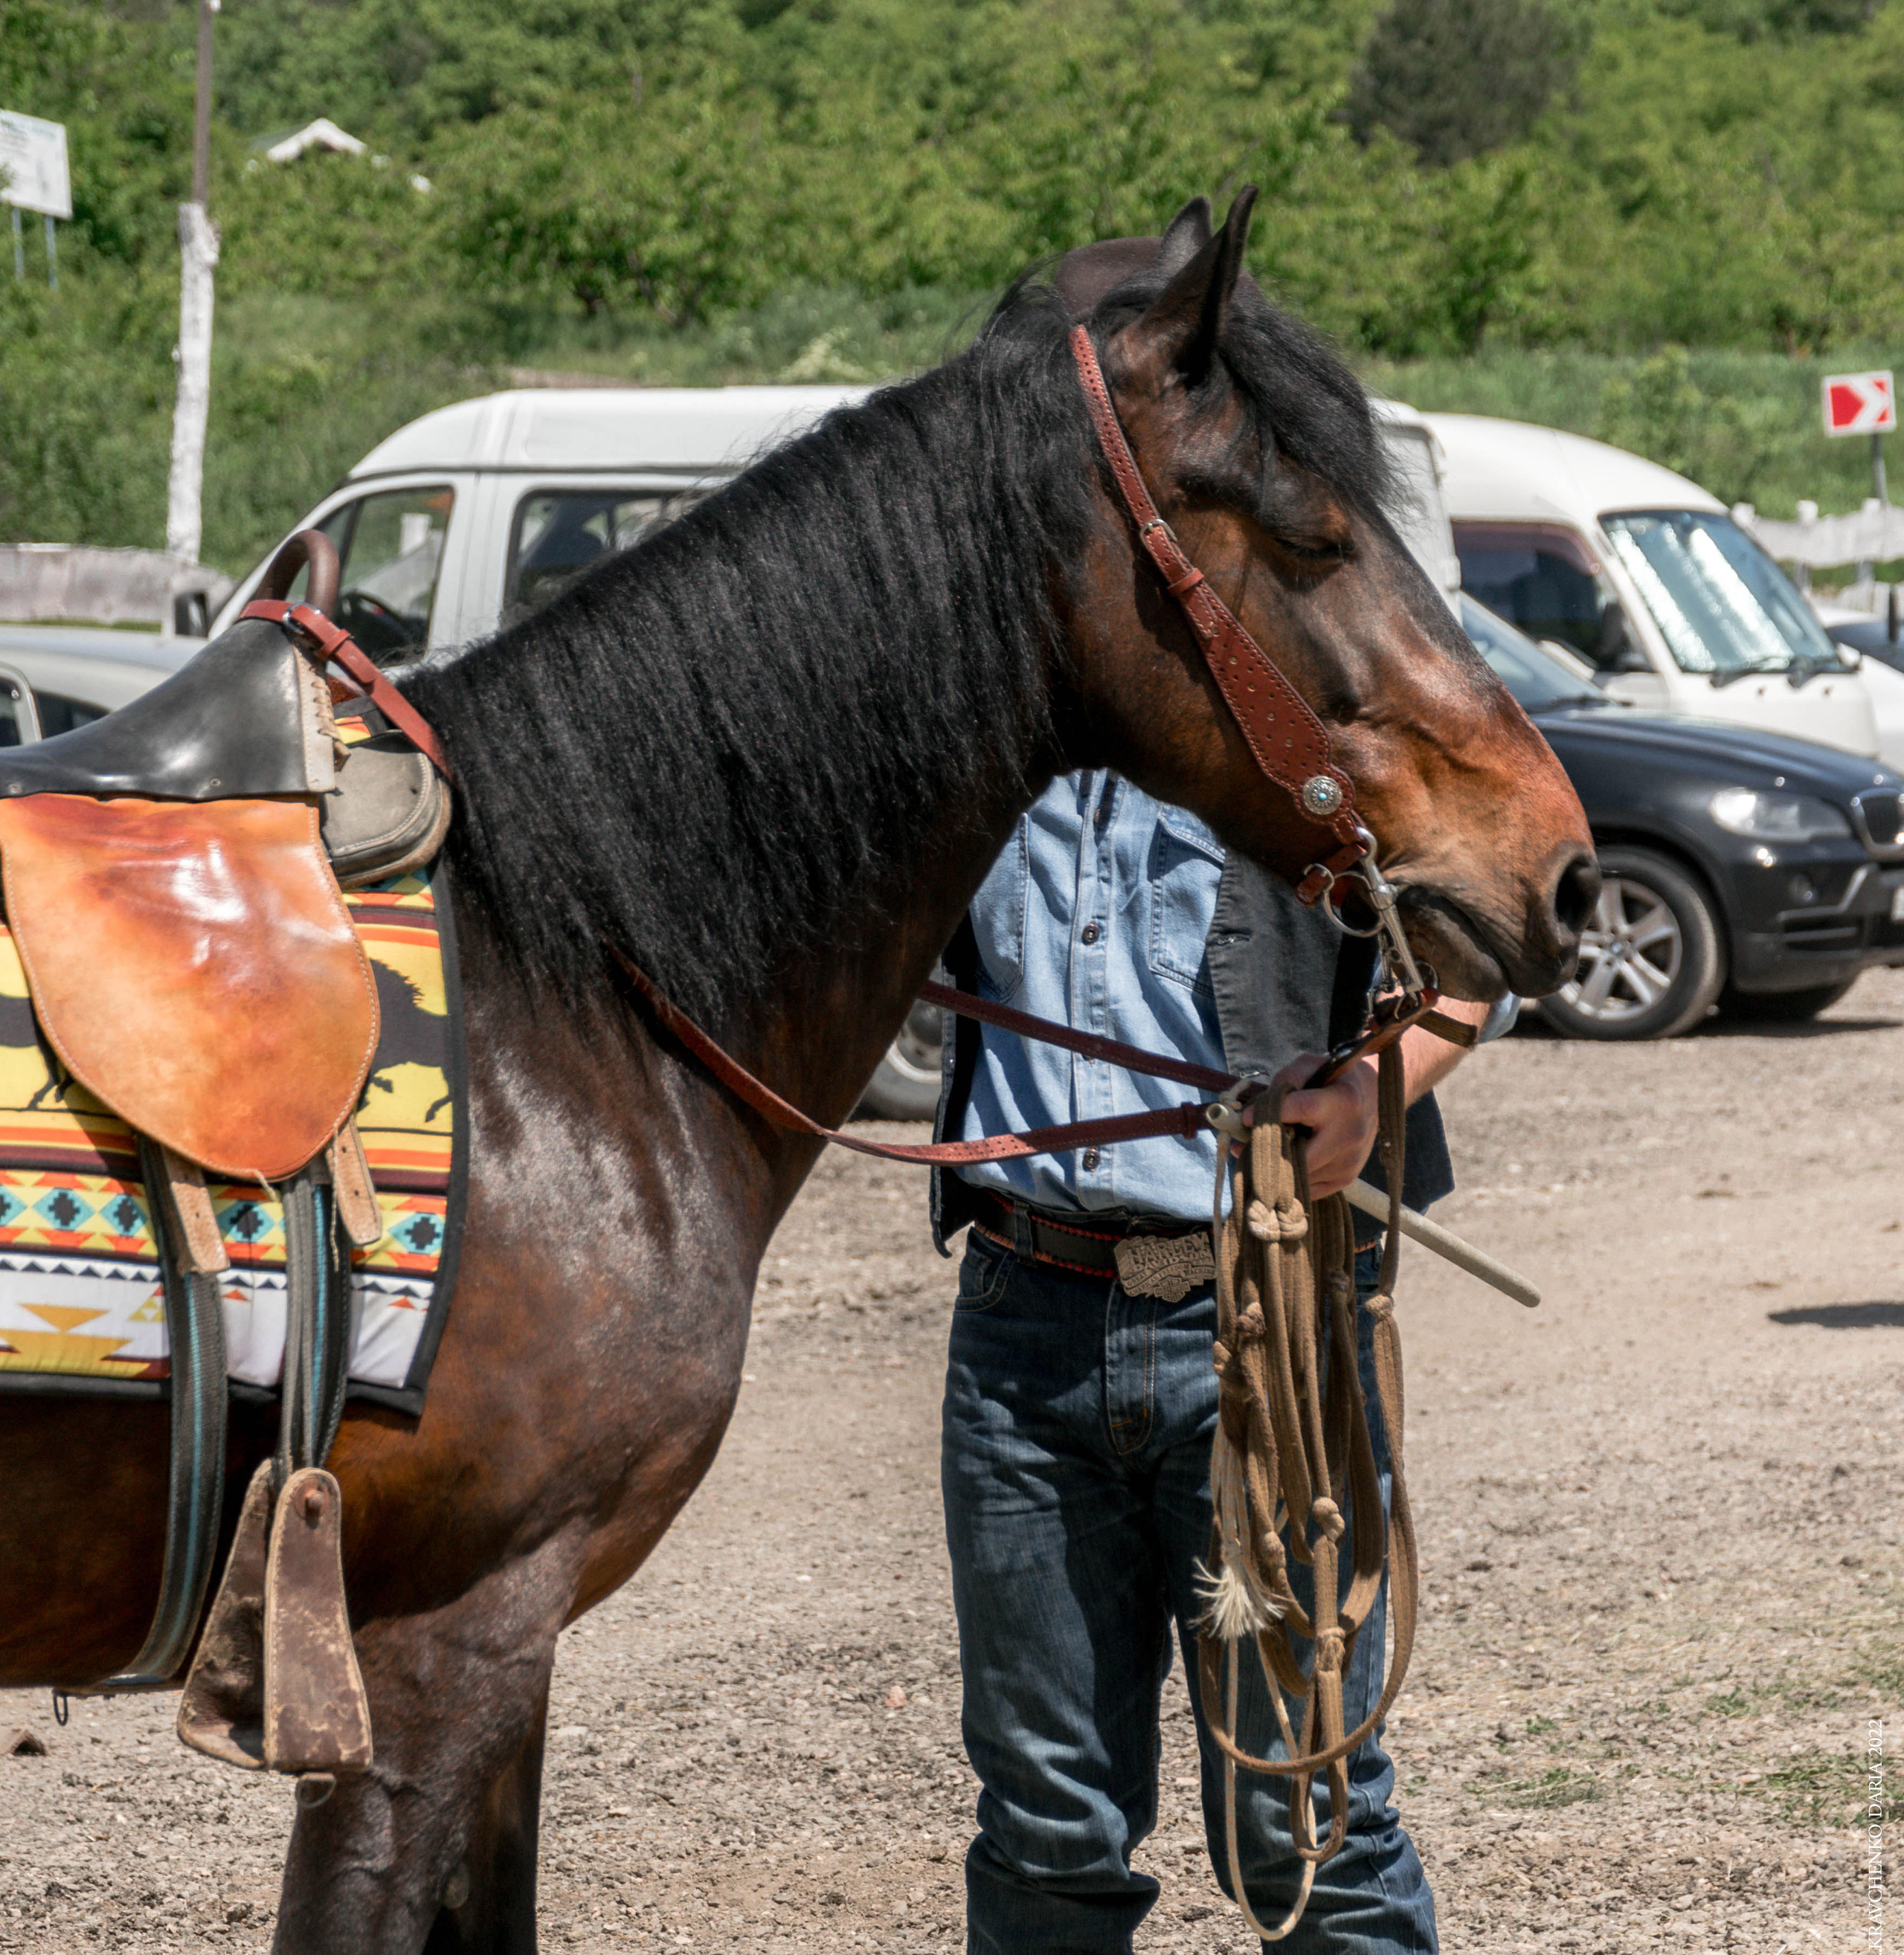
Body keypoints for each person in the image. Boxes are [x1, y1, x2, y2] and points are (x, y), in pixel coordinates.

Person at [930, 768, 1500, 1955]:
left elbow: (1482, 940)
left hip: (1267, 1317)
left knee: (1307, 1824)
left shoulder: (1287, 718)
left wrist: (1369, 1088)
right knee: (1044, 1830)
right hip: (1020, 1316)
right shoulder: (970, 730)